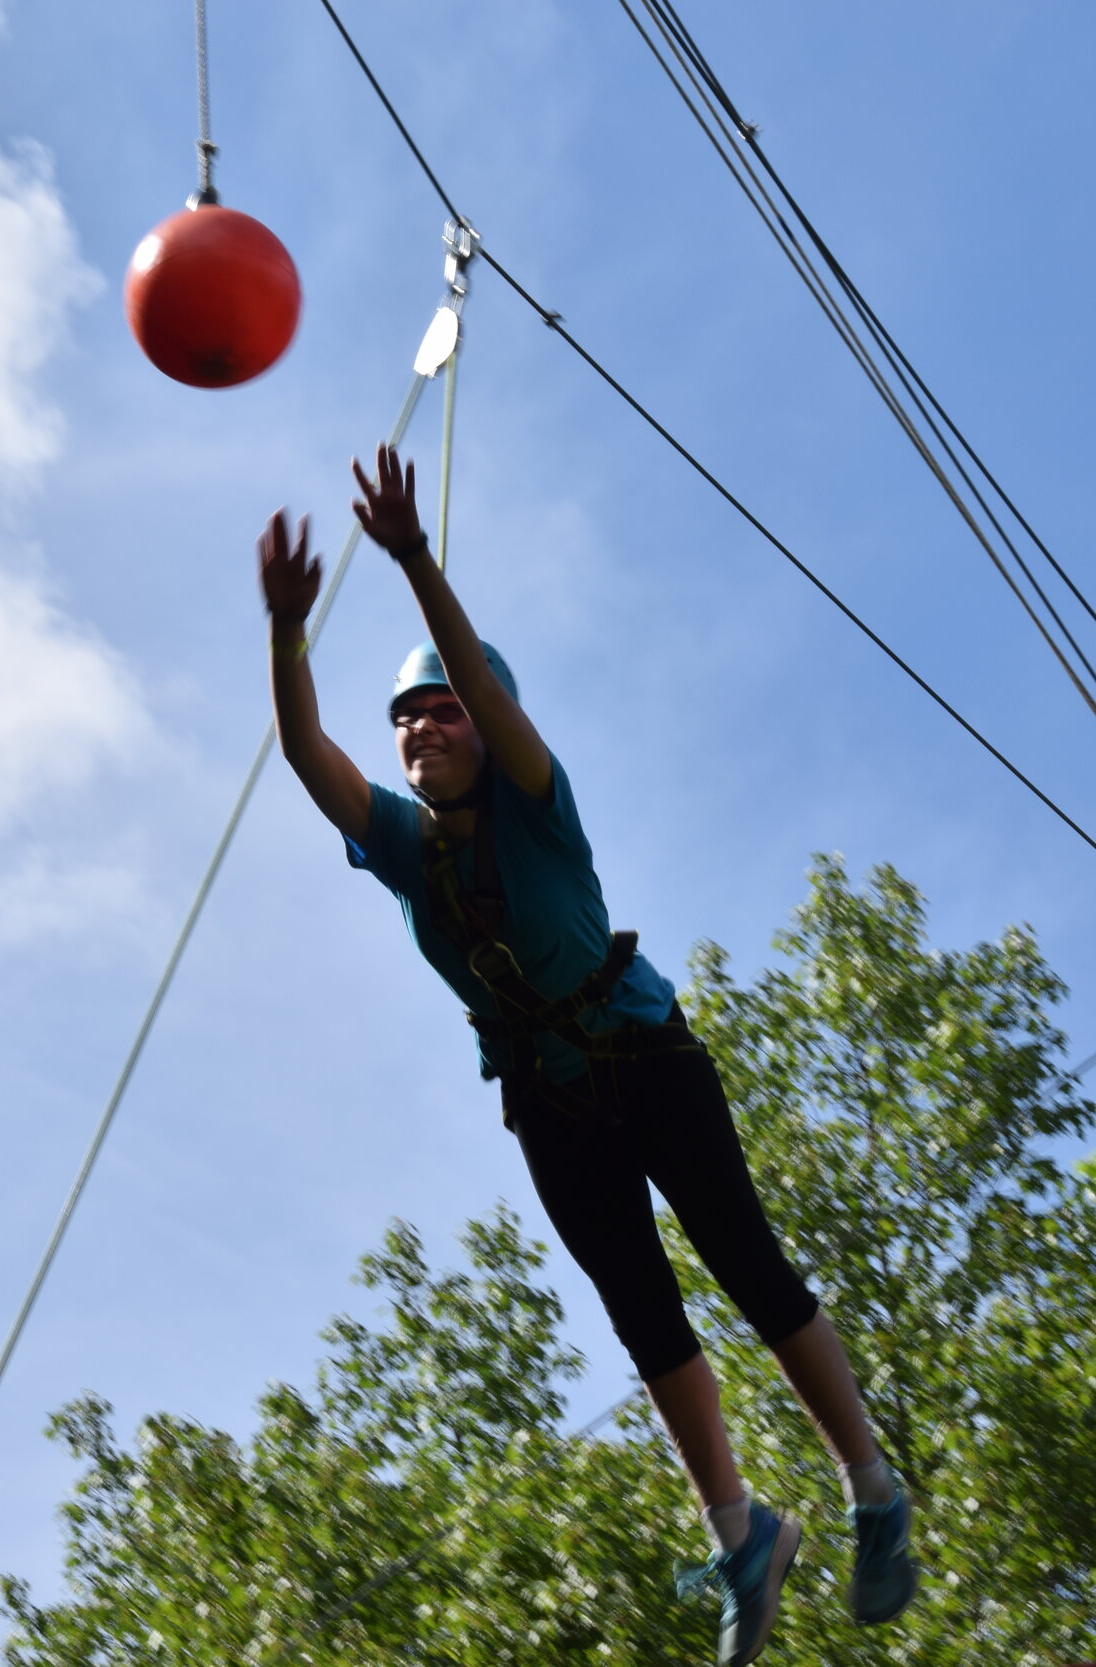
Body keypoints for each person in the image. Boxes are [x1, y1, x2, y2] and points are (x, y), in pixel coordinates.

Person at [255, 444, 919, 1663]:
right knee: (641, 1312)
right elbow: (307, 757)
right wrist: (287, 632)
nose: (420, 728)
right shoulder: (404, 848)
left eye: (440, 708)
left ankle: (872, 1486)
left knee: (745, 1261)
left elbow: (485, 697)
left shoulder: (534, 798)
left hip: (641, 1052)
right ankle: (740, 1531)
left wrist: (410, 558)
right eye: (404, 717)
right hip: (548, 1101)